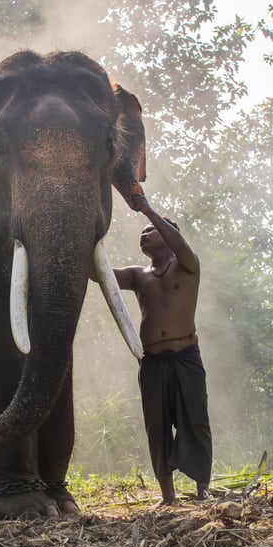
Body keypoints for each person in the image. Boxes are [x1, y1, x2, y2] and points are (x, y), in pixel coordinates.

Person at [107, 193, 212, 504]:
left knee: (195, 421)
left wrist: (147, 210)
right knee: (157, 425)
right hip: (152, 361)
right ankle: (168, 497)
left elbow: (181, 245)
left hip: (186, 358)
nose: (144, 235)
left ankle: (201, 491)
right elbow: (100, 275)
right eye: (142, 234)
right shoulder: (139, 275)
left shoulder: (188, 266)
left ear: (168, 236)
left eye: (150, 231)